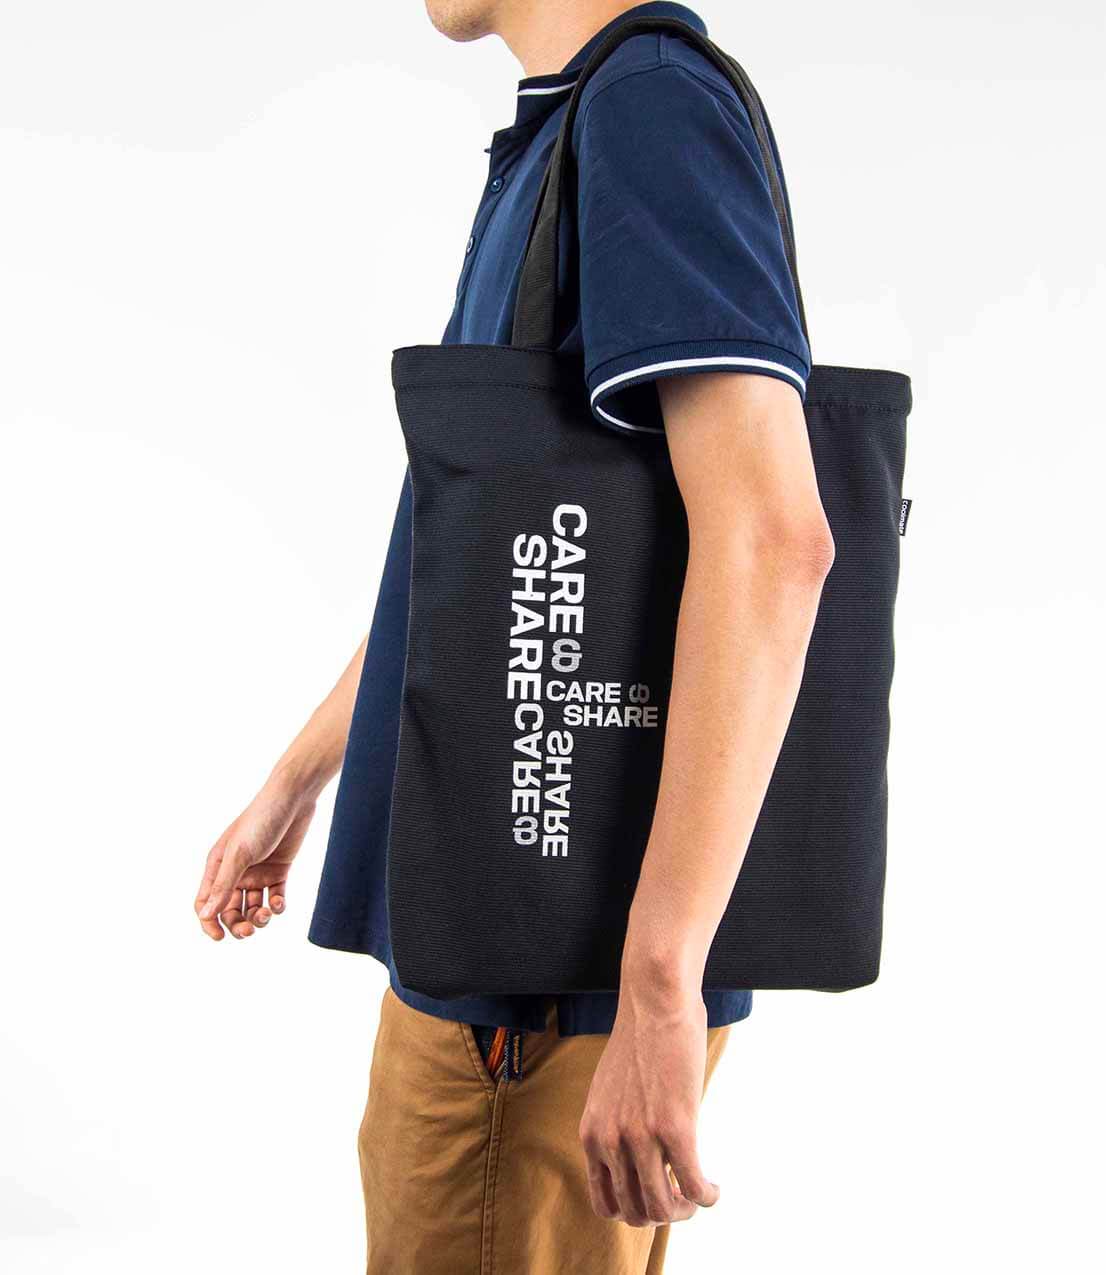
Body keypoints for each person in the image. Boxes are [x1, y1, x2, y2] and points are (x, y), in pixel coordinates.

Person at [194, 3, 833, 1271]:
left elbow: (772, 540)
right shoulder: (581, 128)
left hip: (540, 983)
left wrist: (658, 987)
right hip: (514, 959)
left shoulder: (648, 109)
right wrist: (300, 778)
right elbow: (494, 581)